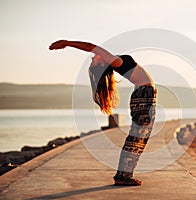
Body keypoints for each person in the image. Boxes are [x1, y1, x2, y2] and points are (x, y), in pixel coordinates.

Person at [49, 40, 157, 186]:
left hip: (144, 95)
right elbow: (91, 47)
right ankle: (123, 176)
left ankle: (124, 174)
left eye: (93, 59)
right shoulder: (115, 62)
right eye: (93, 61)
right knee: (137, 137)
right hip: (144, 96)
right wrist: (67, 43)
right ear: (101, 64)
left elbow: (93, 49)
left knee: (139, 137)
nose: (93, 57)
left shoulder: (115, 62)